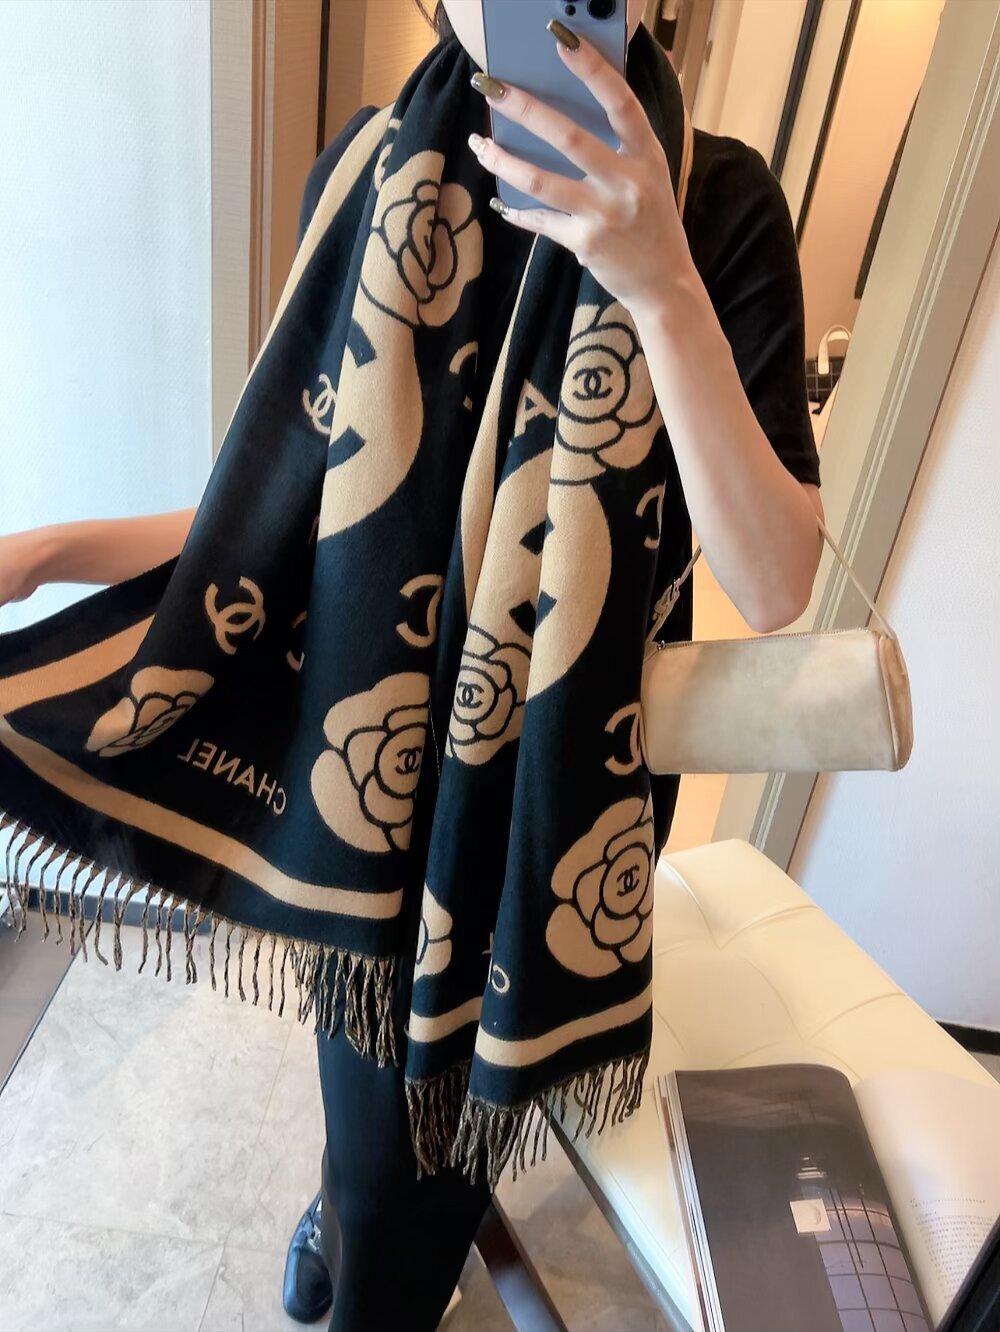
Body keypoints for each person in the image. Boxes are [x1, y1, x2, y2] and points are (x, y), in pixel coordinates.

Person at [0, 1, 825, 1327]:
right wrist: (48, 555)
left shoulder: (718, 204)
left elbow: (775, 579)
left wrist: (660, 282)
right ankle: (349, 1205)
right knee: (370, 1111)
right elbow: (283, 507)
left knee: (425, 1164)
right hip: (365, 778)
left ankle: (372, 1240)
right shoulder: (368, 171)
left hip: (540, 804)